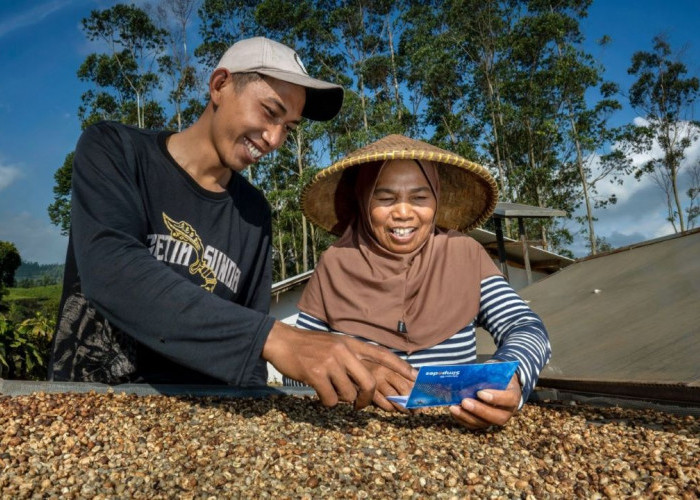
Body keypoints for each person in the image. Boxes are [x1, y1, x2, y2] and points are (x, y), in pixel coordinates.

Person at [49, 37, 415, 409]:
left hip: (195, 420)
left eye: (288, 127)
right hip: (90, 405)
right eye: (270, 112)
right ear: (219, 85)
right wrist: (277, 339)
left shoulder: (253, 214)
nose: (274, 139)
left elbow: (248, 343)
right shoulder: (115, 150)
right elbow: (111, 270)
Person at [285, 134, 552, 429]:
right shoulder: (335, 263)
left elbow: (524, 326)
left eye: (419, 198)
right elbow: (296, 366)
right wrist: (353, 372)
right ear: (363, 201)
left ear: (435, 201)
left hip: (455, 430)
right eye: (385, 198)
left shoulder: (464, 254)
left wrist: (510, 376)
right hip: (353, 432)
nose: (403, 212)